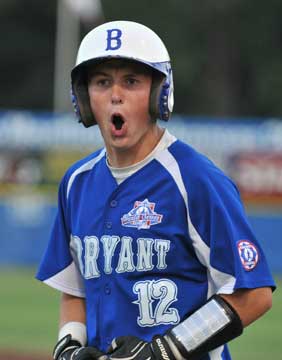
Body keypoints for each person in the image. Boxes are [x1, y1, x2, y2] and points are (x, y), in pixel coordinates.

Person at [36, 20, 275, 360]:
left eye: (131, 81)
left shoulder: (195, 178)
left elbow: (254, 294)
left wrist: (167, 350)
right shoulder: (77, 182)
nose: (115, 95)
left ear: (158, 92)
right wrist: (69, 345)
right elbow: (75, 291)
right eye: (102, 82)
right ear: (84, 96)